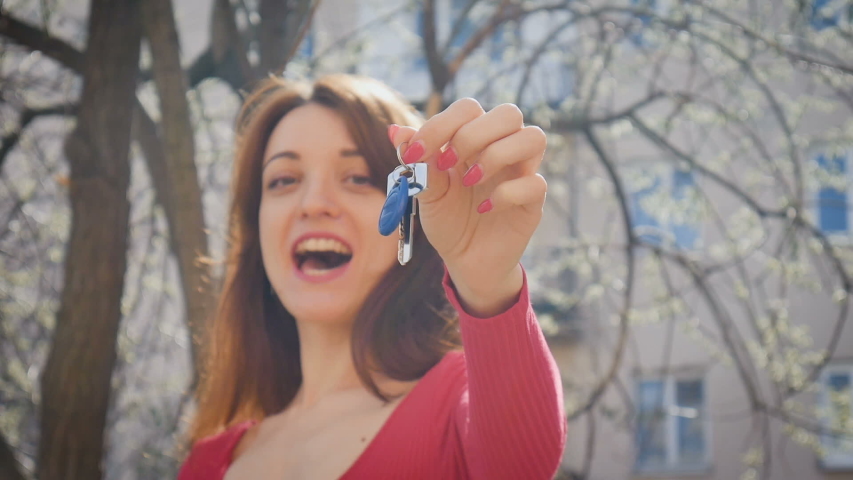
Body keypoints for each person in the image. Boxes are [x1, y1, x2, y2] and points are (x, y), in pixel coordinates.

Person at [177, 74, 566, 480]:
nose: (313, 204)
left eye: (359, 177)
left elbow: (519, 464)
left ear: (412, 217)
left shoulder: (457, 402)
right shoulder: (206, 463)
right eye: (284, 180)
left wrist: (488, 281)